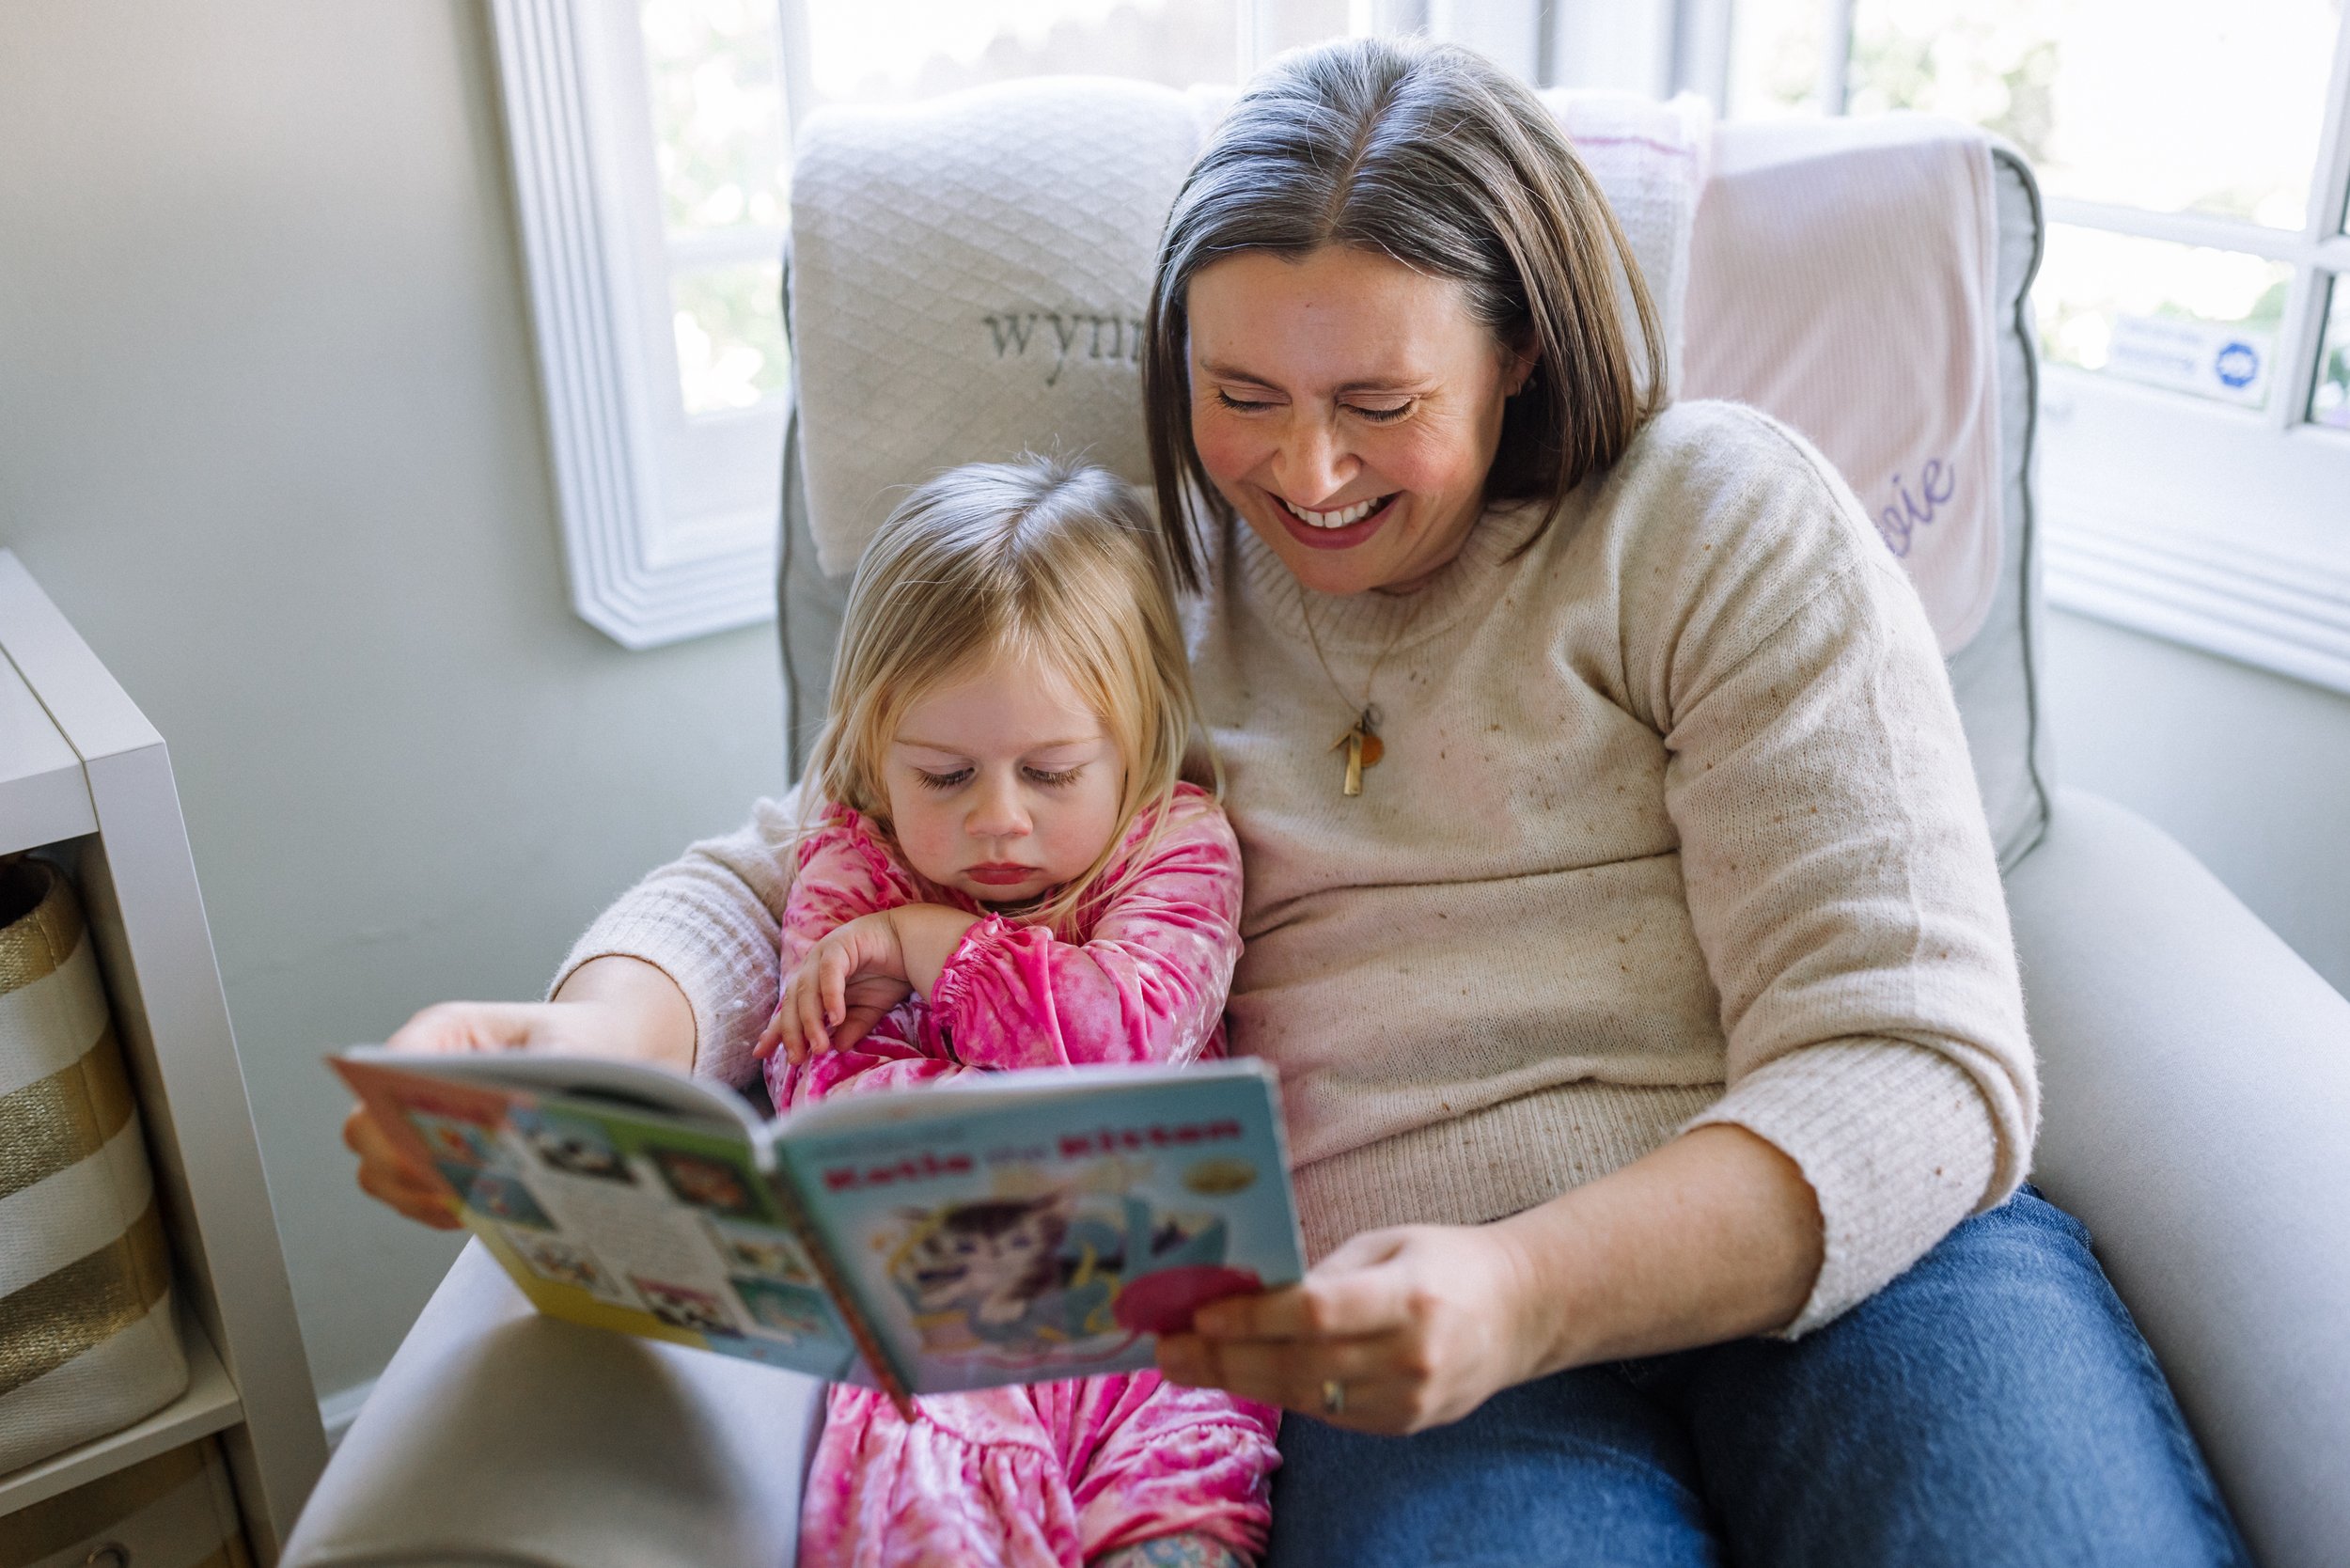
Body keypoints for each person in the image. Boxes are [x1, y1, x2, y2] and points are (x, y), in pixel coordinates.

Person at [350, 36, 2247, 1568]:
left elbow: (1917, 1062)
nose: (1302, 470)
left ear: (1515, 349)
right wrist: (590, 1042)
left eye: (1376, 400)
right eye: (1237, 389)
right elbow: (780, 865)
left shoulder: (1712, 517)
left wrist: (1524, 1286)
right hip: (1401, 1351)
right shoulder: (1141, 574)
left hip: (1856, 1267)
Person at [757, 457, 1277, 1568]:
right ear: (872, 745)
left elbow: (1125, 1042)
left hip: (1159, 1323)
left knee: (1179, 1510)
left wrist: (936, 950)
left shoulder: (1174, 848)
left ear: (1133, 736)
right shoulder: (849, 868)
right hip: (941, 1325)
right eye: (944, 776)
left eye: (1050, 772)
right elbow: (832, 1109)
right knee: (909, 1497)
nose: (999, 820)